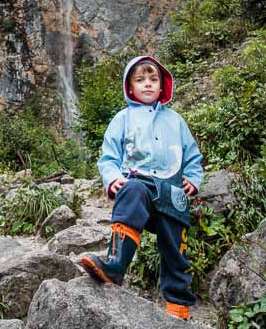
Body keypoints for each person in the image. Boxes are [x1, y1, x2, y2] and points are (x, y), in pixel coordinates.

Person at [80, 55, 204, 320]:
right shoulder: (122, 119)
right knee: (132, 191)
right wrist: (113, 178)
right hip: (140, 184)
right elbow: (109, 156)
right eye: (140, 80)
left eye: (153, 79)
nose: (147, 84)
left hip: (172, 191)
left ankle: (178, 306)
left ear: (162, 87)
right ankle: (115, 264)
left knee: (174, 246)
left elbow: (192, 155)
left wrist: (193, 178)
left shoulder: (176, 121)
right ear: (130, 87)